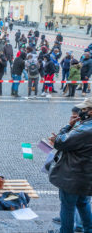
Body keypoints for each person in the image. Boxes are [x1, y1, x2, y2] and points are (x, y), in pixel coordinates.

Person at [48, 98, 92, 233]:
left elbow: (61, 142)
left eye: (84, 109)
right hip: (86, 176)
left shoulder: (84, 129)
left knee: (67, 207)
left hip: (73, 175)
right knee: (82, 203)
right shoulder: (85, 127)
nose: (81, 112)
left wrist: (68, 126)